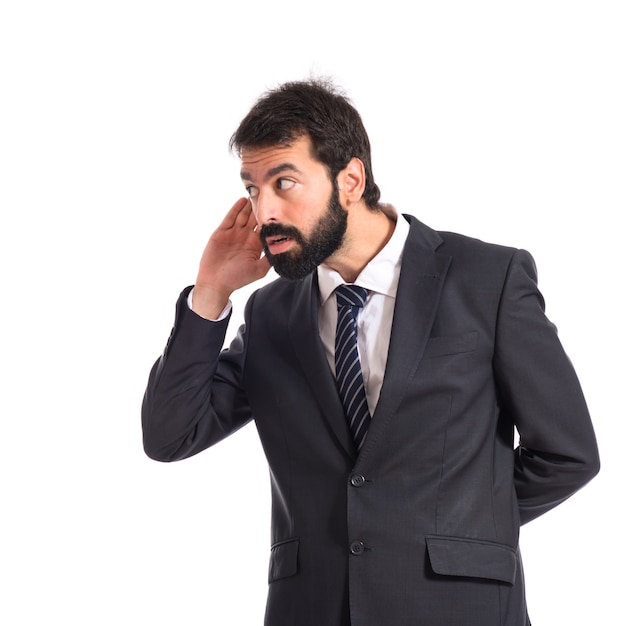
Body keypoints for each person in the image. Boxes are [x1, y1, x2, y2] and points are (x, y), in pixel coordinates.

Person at [142, 79, 600, 626]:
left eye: (284, 182)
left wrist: (456, 531)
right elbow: (170, 435)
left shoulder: (487, 280)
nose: (264, 210)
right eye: (251, 188)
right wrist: (210, 294)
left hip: (460, 608)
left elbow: (568, 454)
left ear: (351, 180)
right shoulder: (270, 314)